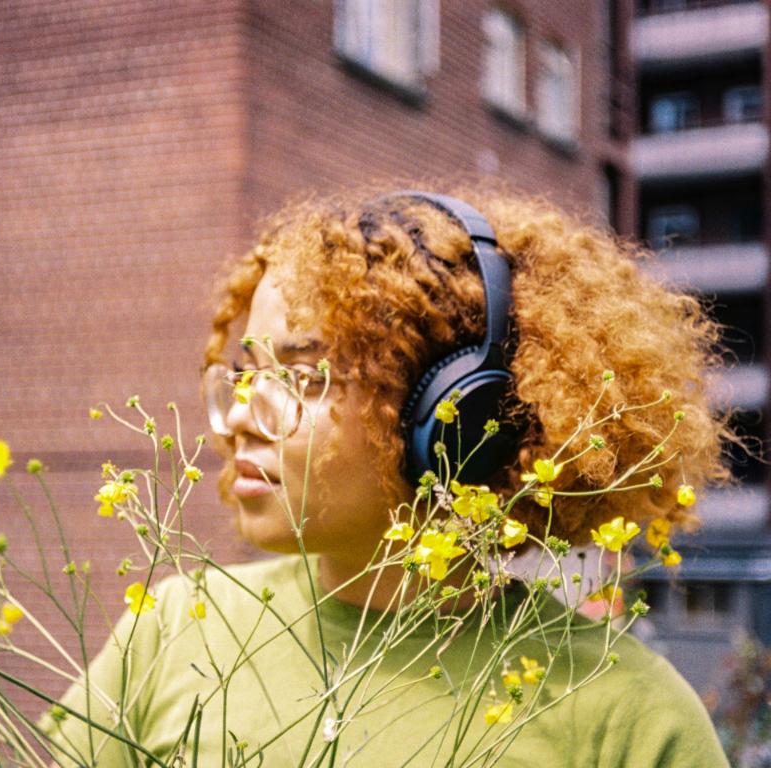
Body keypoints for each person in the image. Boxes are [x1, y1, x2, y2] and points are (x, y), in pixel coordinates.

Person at [47, 185, 732, 767]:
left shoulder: (629, 721)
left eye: (305, 377)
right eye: (247, 374)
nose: (238, 421)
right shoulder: (170, 633)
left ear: (453, 416)